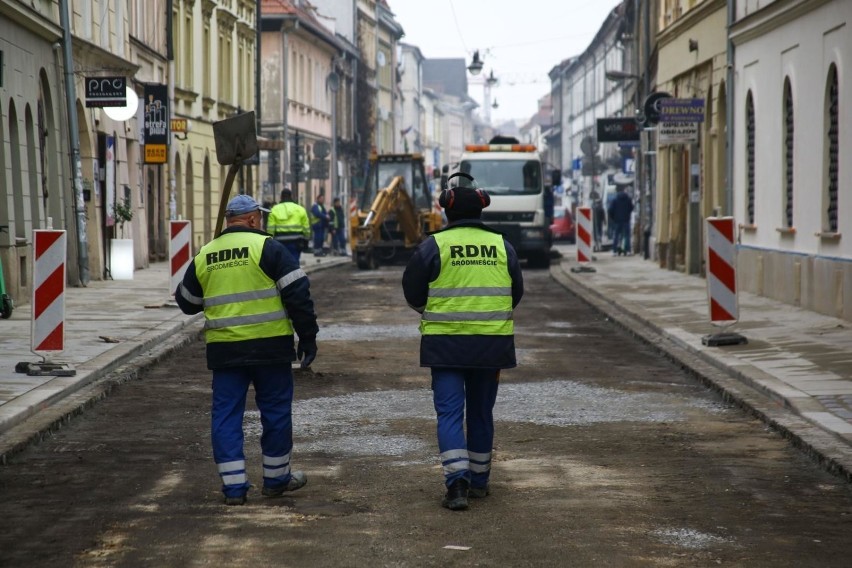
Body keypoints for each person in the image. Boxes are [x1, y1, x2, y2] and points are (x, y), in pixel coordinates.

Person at [175, 194, 319, 506]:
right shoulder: (269, 248)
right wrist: (308, 337)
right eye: (260, 218)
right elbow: (298, 294)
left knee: (226, 415)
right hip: (271, 350)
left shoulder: (206, 254)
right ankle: (276, 479)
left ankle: (234, 488)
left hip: (226, 352)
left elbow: (186, 302)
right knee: (275, 412)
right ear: (253, 219)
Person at [402, 172, 524, 511]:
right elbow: (515, 293)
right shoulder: (503, 246)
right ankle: (481, 482)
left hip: (446, 346)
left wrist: (435, 310)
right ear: (481, 211)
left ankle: (457, 485)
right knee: (482, 413)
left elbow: (412, 291)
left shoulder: (433, 246)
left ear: (447, 213)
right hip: (490, 345)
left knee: (450, 415)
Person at [266, 187, 311, 264]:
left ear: (281, 197)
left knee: (281, 264)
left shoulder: (274, 210)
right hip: (296, 242)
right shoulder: (300, 209)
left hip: (280, 242)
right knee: (294, 263)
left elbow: (270, 229)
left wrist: (270, 242)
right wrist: (306, 241)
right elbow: (306, 228)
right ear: (291, 196)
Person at [607, 185, 634, 255]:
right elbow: (631, 208)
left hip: (617, 221)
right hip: (626, 220)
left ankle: (614, 251)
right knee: (627, 235)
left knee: (616, 235)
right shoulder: (628, 199)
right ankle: (628, 250)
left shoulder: (615, 200)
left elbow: (610, 210)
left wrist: (613, 218)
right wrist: (627, 214)